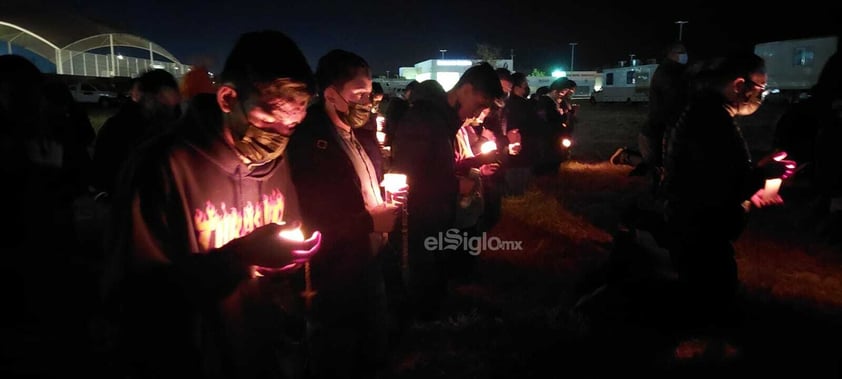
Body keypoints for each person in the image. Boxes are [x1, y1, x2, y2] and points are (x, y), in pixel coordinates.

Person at [100, 30, 323, 378]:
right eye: (268, 120)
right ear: (228, 98)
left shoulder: (276, 158)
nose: (279, 136)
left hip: (264, 351)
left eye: (293, 126)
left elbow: (282, 234)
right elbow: (134, 296)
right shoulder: (161, 166)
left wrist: (288, 262)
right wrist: (238, 257)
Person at [661, 51, 796, 332]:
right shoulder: (711, 121)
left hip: (694, 224)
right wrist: (762, 177)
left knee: (702, 292)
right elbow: (718, 184)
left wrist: (756, 178)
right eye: (760, 88)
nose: (761, 95)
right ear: (739, 85)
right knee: (710, 301)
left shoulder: (705, 113)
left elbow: (717, 174)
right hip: (702, 229)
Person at [286, 49, 400, 379]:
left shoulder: (358, 136)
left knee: (372, 347)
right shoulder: (310, 143)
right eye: (358, 94)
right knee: (336, 352)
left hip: (369, 258)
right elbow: (312, 216)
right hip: (334, 271)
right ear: (331, 94)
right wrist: (368, 222)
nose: (367, 101)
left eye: (369, 93)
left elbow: (362, 190)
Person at [390, 62, 503, 321]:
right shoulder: (423, 119)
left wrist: (474, 164)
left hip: (438, 217)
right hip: (420, 222)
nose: (479, 112)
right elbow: (410, 176)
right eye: (480, 103)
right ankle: (421, 332)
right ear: (465, 89)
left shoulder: (444, 119)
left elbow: (439, 165)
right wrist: (456, 186)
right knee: (423, 284)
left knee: (438, 278)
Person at [92, 69, 182, 196]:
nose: (168, 105)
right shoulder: (118, 129)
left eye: (172, 99)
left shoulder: (177, 129)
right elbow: (103, 175)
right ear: (146, 95)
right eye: (161, 97)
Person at [634, 42, 690, 182]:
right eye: (680, 52)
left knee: (661, 164)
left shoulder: (675, 71)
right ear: (671, 54)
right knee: (659, 167)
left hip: (662, 125)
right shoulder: (667, 73)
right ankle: (627, 157)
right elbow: (674, 99)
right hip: (660, 127)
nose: (684, 55)